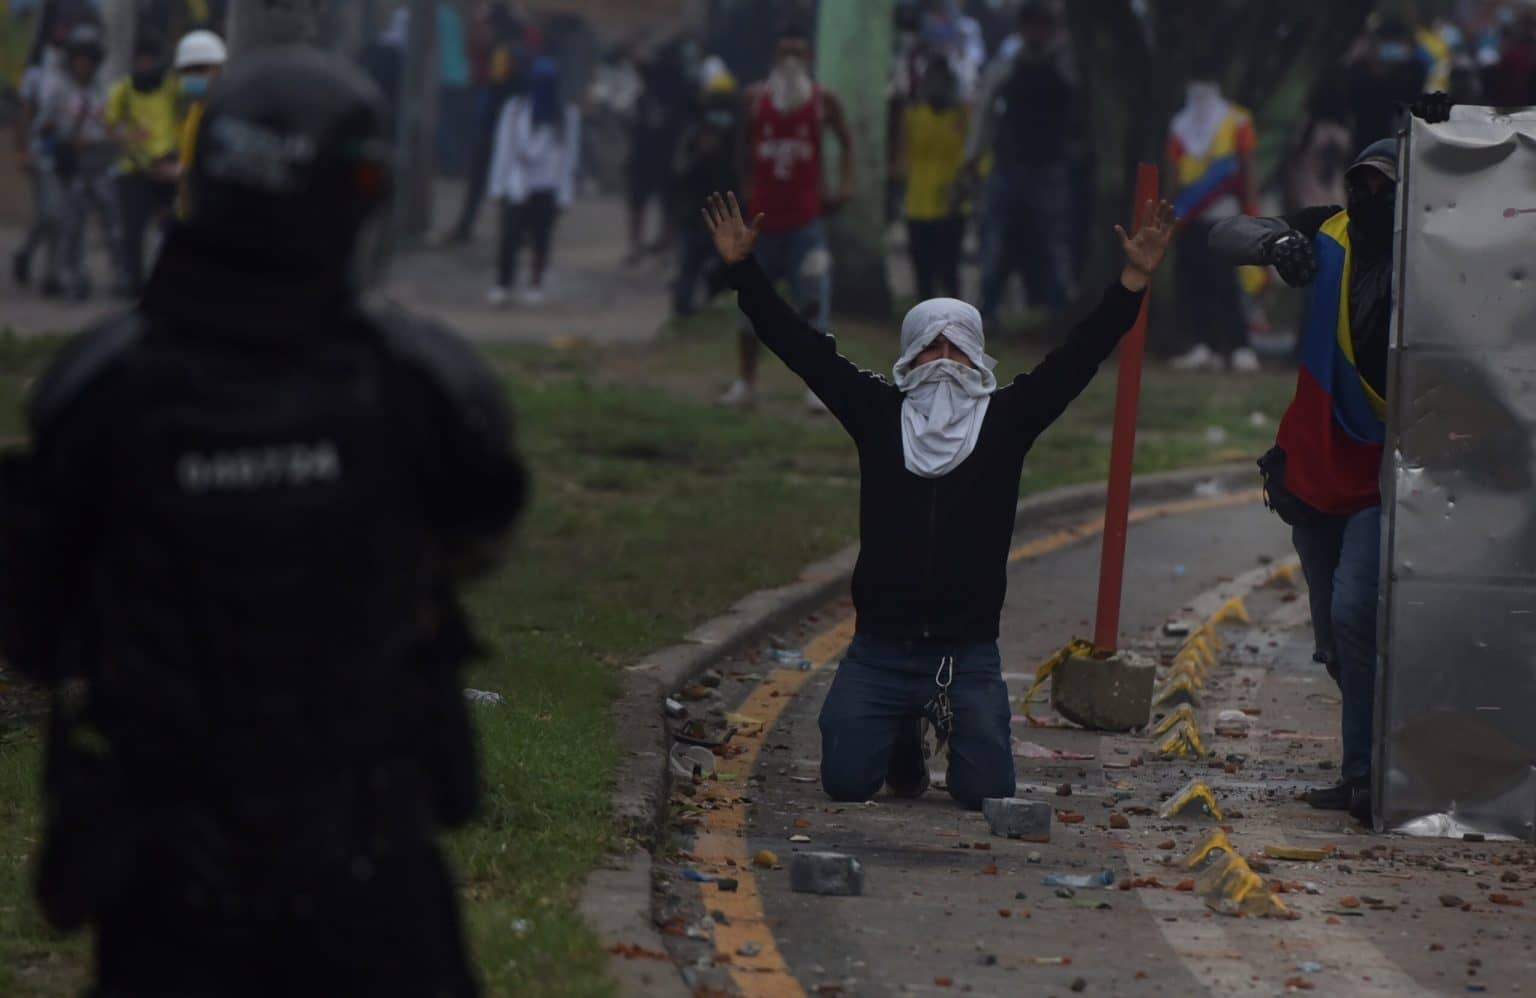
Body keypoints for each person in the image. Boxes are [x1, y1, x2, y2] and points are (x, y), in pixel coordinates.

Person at [0, 48, 527, 995]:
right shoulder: (421, 388)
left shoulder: (98, 393)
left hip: (169, 889)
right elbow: (480, 535)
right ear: (355, 199)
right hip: (368, 873)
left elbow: (34, 629)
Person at [702, 190, 1176, 808]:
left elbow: (1077, 358)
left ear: (978, 356)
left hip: (966, 653)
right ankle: (902, 732)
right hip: (879, 647)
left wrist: (1132, 281)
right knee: (846, 781)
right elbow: (802, 349)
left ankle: (944, 723)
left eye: (957, 349)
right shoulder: (877, 413)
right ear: (909, 353)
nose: (944, 363)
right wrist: (744, 272)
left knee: (986, 792)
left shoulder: (1007, 420)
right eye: (931, 347)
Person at [1208, 109, 1446, 824]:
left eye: (1385, 184)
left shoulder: (1433, 256)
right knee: (1334, 639)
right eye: (1360, 184)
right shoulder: (1328, 232)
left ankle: (1373, 776)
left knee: (1353, 611)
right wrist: (1278, 241)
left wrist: (1455, 148)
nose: (1369, 196)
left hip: (1382, 473)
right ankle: (1364, 768)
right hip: (1313, 472)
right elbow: (1225, 233)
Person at [719, 23, 856, 409]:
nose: (791, 61)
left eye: (799, 52)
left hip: (805, 224)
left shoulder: (822, 101)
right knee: (751, 306)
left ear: (809, 58)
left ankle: (817, 386)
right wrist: (745, 185)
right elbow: (743, 145)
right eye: (785, 53)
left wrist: (845, 185)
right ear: (774, 58)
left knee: (814, 305)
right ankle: (745, 384)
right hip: (761, 225)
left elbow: (846, 140)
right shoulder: (755, 99)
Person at [964, 0, 1077, 325]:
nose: (1037, 33)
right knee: (995, 241)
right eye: (1032, 25)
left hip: (1050, 167)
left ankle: (1059, 313)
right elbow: (985, 110)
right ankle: (988, 311)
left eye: (1043, 25)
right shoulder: (1009, 64)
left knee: (1054, 244)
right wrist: (973, 155)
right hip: (1009, 166)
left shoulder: (1067, 67)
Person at [1165, 60, 1260, 373]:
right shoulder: (1179, 125)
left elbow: (1246, 167)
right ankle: (1204, 346)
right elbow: (1175, 174)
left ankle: (1241, 346)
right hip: (1191, 217)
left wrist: (1251, 209)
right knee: (1195, 281)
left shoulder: (1237, 120)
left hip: (1225, 213)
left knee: (1228, 283)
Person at [34, 24, 126, 300]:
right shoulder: (58, 90)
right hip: (71, 166)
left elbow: (111, 125)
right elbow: (44, 127)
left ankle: (121, 276)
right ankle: (71, 278)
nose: (83, 64)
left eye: (88, 58)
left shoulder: (102, 90)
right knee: (70, 226)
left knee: (113, 224)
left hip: (99, 163)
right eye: (79, 58)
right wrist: (65, 138)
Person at [487, 56, 581, 307]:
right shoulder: (515, 109)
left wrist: (564, 194)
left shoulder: (567, 116)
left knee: (541, 238)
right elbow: (503, 149)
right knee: (509, 236)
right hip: (517, 183)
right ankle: (503, 284)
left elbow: (569, 157)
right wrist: (497, 186)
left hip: (547, 185)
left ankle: (535, 284)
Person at [105, 33, 182, 295]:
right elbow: (111, 126)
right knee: (132, 233)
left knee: (169, 227)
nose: (145, 66)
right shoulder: (122, 90)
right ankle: (134, 285)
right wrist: (127, 137)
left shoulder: (169, 86)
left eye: (150, 61)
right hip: (133, 170)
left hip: (166, 168)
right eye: (141, 61)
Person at [897, 56, 969, 301]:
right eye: (932, 78)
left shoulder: (963, 115)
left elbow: (976, 159)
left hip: (952, 206)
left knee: (949, 271)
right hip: (918, 205)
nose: (937, 85)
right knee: (923, 273)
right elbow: (903, 154)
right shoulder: (913, 115)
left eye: (943, 79)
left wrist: (964, 188)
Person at [671, 67, 741, 318]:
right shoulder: (695, 136)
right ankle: (683, 318)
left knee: (722, 271)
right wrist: (702, 154)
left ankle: (714, 315)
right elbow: (680, 174)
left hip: (726, 218)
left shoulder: (738, 137)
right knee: (688, 271)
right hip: (696, 214)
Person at [12, 28, 66, 294]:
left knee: (56, 215)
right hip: (40, 153)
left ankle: (33, 259)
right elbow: (25, 113)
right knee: (51, 213)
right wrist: (22, 150)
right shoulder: (36, 74)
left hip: (67, 155)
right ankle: (49, 271)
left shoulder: (76, 68)